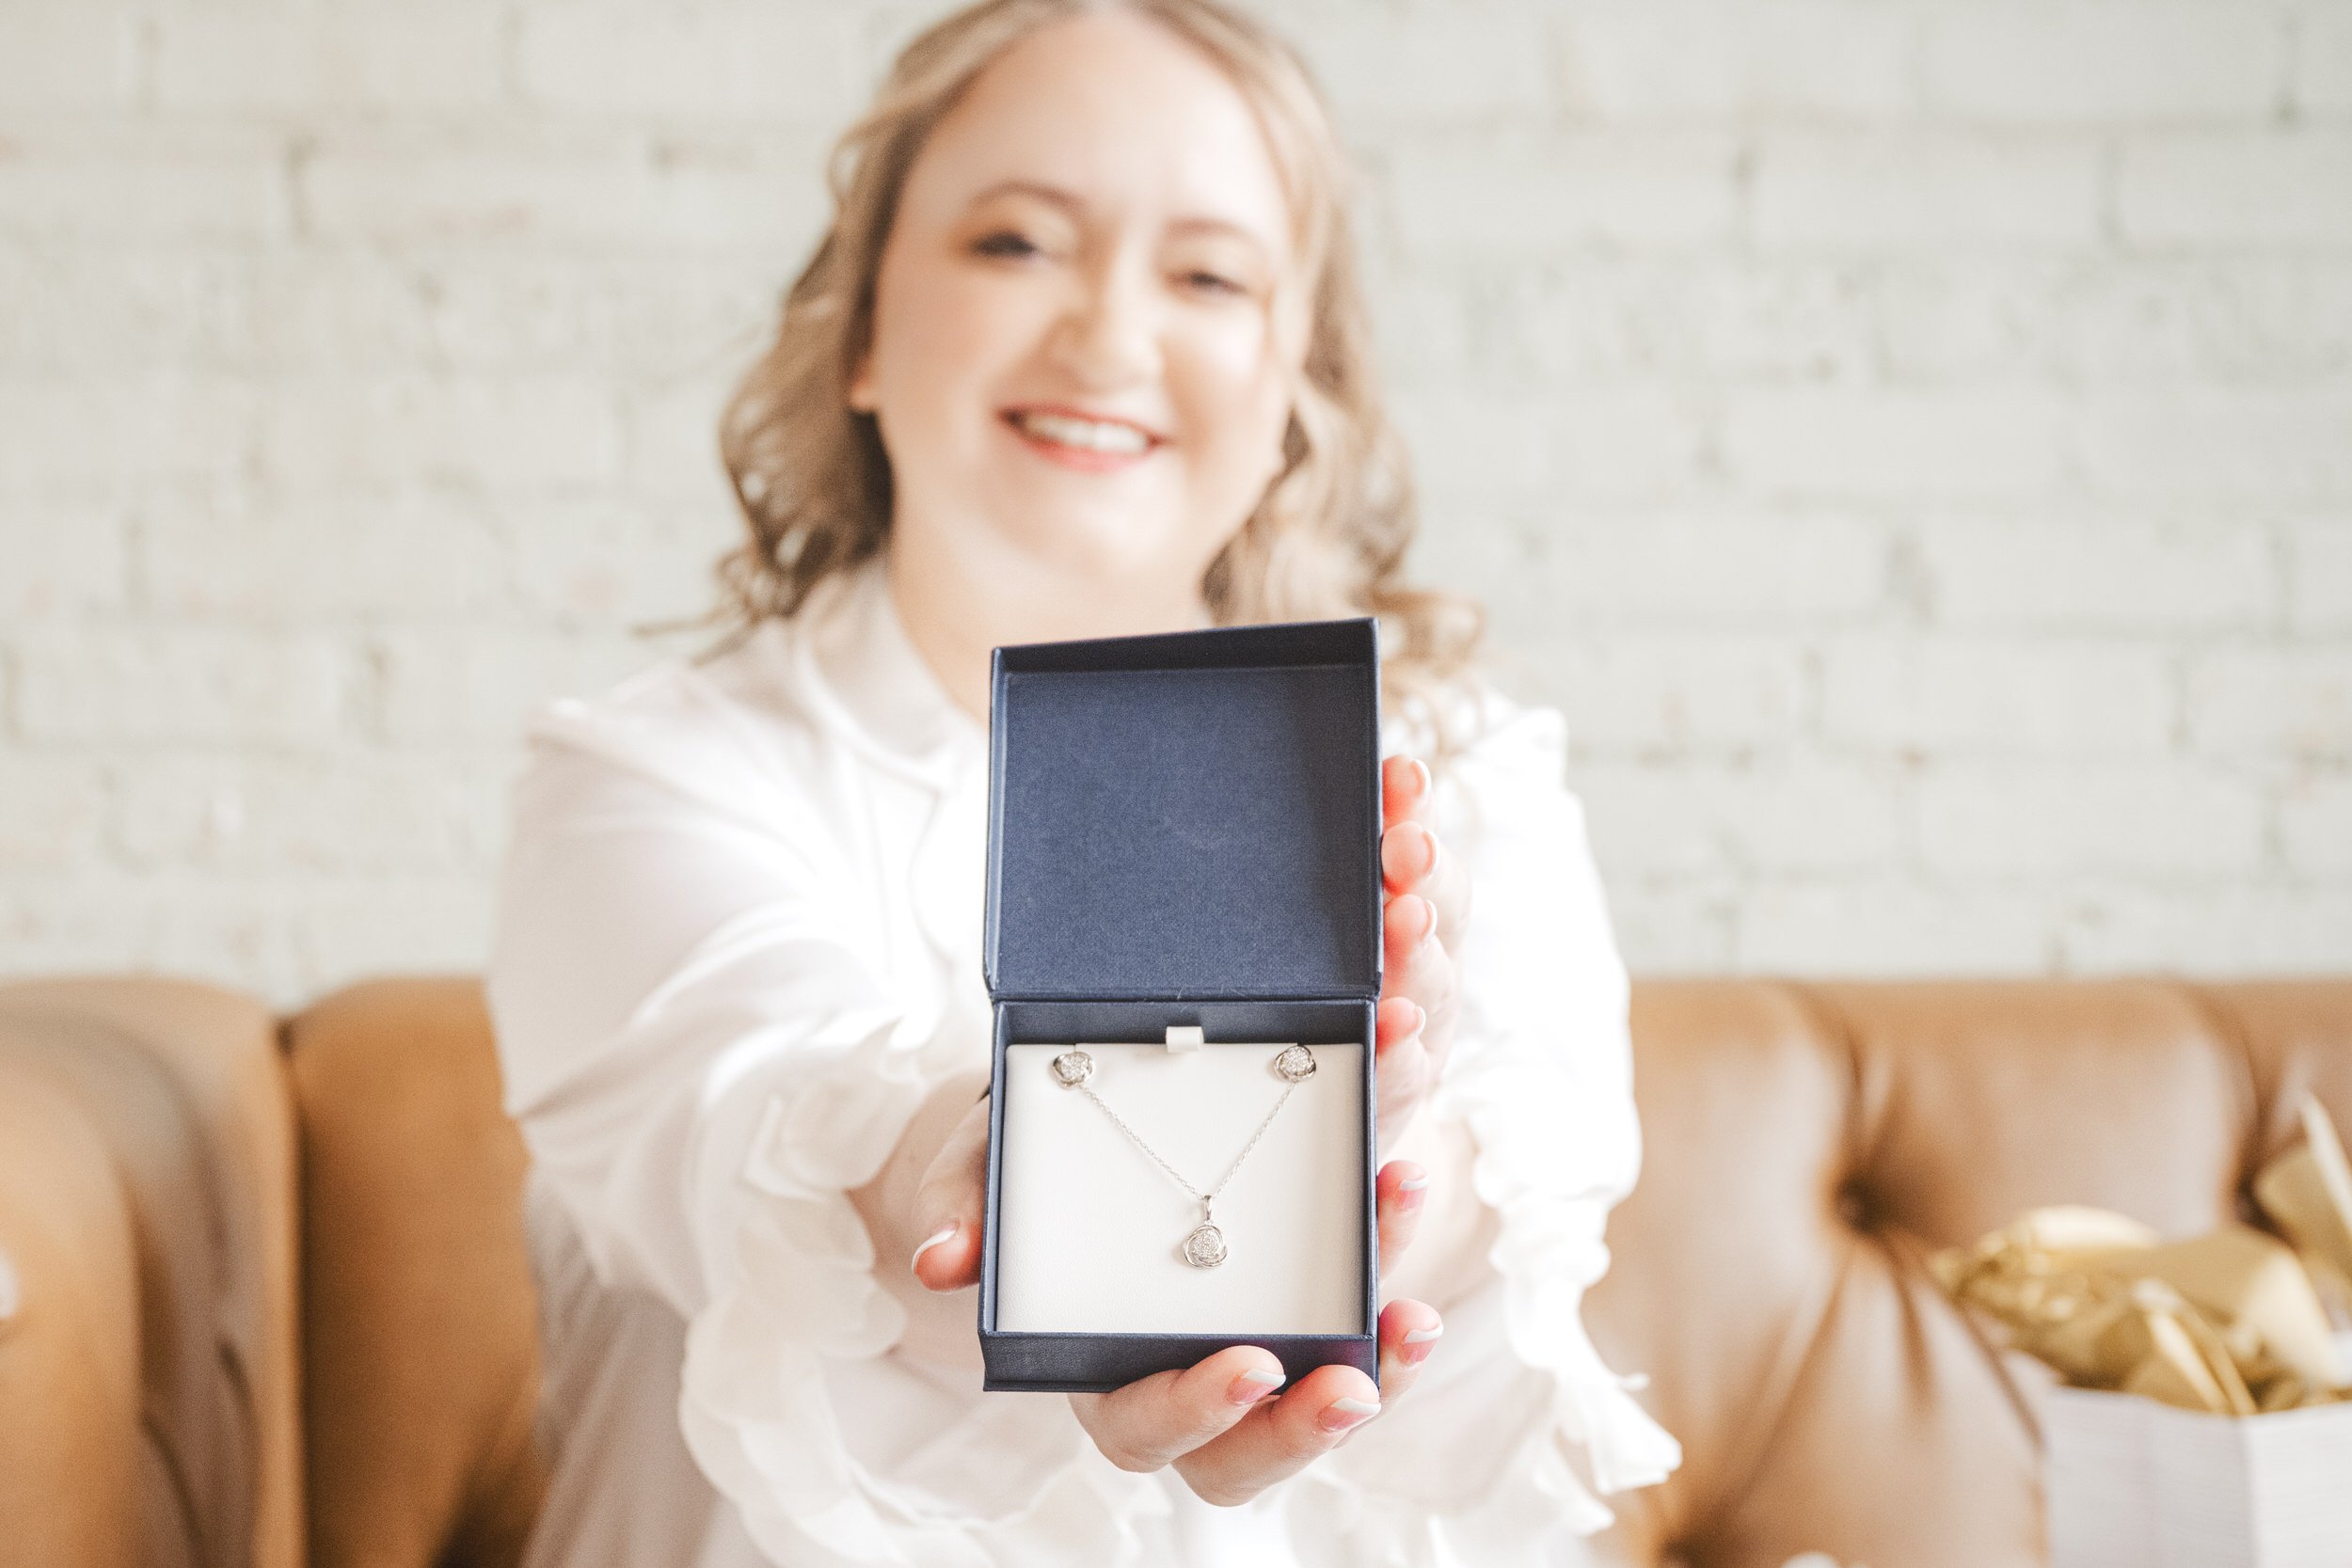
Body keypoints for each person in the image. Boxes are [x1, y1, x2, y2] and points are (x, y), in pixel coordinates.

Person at [486, 2, 1680, 1564]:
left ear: (1294, 384)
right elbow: (768, 1154)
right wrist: (988, 1189)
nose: (1111, 340)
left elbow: (1515, 1225)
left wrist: (1389, 1145)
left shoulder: (1464, 776)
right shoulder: (644, 785)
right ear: (859, 331)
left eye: (1209, 276)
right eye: (1017, 243)